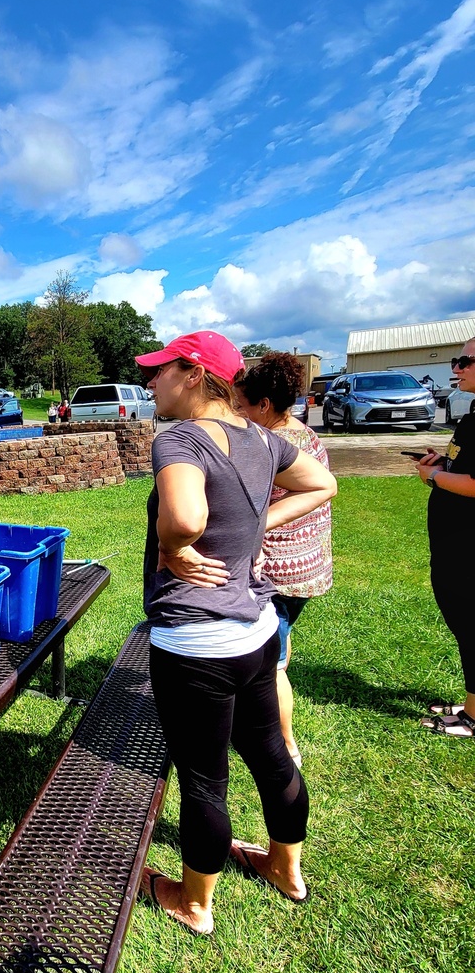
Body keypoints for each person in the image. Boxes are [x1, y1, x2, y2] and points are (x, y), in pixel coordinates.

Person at [134, 331, 336, 936]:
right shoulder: (264, 438)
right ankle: (285, 869)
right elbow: (323, 485)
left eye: (158, 371)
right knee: (272, 757)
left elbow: (187, 517)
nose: (150, 383)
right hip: (257, 632)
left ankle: (194, 902)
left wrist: (175, 543)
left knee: (203, 778)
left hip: (197, 643)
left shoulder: (179, 437)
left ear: (193, 373)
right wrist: (252, 526)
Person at [234, 353, 333, 766]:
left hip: (279, 572)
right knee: (278, 646)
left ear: (264, 406)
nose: (237, 414)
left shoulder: (273, 445)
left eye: (241, 406)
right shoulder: (304, 433)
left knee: (271, 666)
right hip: (308, 569)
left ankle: (284, 747)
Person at [410, 339, 475, 735]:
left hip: (468, 548)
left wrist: (433, 476)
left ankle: (472, 718)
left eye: (466, 361)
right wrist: (443, 463)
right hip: (455, 544)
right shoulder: (471, 415)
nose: (457, 367)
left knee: (471, 623)